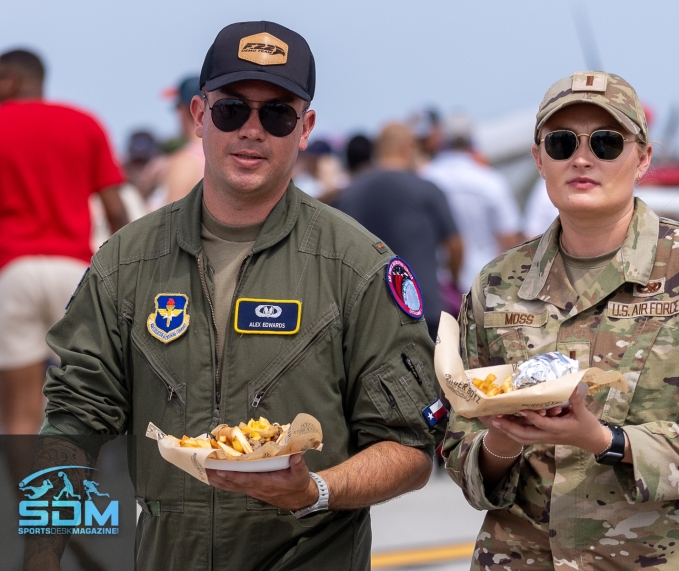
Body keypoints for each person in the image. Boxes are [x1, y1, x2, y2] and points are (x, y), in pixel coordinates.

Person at [34, 21, 442, 571]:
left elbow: (410, 449)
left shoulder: (358, 267)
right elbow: (73, 417)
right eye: (233, 110)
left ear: (305, 128)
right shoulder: (125, 263)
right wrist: (40, 553)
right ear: (200, 116)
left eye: (276, 113)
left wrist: (314, 492)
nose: (252, 130)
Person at [443, 71, 679, 570]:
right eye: (560, 142)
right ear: (538, 160)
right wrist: (502, 440)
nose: (582, 157)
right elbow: (457, 447)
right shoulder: (497, 284)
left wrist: (605, 440)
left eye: (606, 142)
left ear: (642, 158)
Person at [0, 48, 128, 436]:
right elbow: (115, 211)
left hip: (14, 271)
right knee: (85, 403)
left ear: (10, 80)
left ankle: (28, 497)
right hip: (76, 273)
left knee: (22, 411)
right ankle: (77, 489)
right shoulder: (84, 123)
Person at [337, 122, 463, 339]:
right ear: (408, 147)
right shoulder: (426, 189)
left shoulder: (345, 198)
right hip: (425, 313)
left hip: (371, 326)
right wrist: (452, 280)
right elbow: (456, 245)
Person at [424, 112, 523, 293]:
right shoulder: (491, 180)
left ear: (442, 141)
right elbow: (509, 240)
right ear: (471, 141)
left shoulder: (426, 178)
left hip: (440, 287)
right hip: (486, 285)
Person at [150, 75, 206, 210]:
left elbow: (170, 225)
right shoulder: (217, 154)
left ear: (192, 109)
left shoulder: (185, 162)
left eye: (177, 107)